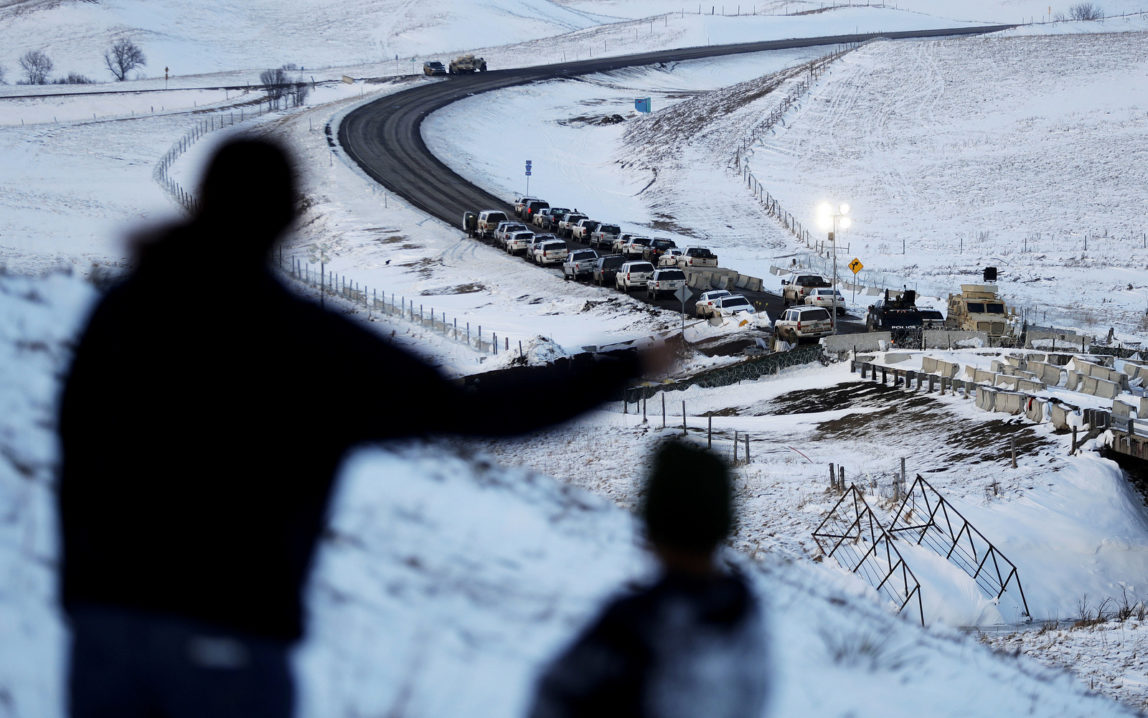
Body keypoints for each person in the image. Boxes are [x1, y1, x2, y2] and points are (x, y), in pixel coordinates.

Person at [57, 136, 647, 718]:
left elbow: (70, 447)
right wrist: (626, 366)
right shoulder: (295, 339)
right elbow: (471, 411)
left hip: (102, 625)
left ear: (203, 198)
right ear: (288, 216)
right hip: (227, 629)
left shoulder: (118, 313)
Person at [528, 440, 769, 718]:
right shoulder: (744, 612)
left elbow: (551, 701)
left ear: (652, 526)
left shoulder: (629, 629)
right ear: (724, 524)